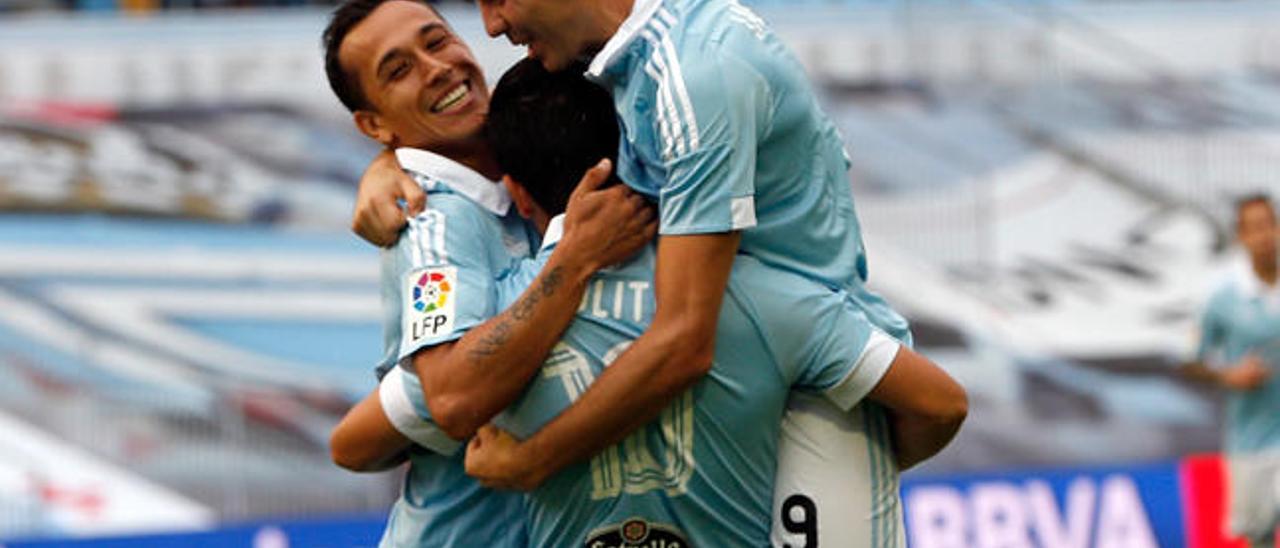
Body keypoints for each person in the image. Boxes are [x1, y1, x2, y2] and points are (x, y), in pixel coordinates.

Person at [352, 1, 964, 544]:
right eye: (397, 70)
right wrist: (390, 162)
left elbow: (683, 342)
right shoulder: (640, 68)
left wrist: (534, 461)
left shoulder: (690, 78)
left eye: (440, 37)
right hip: (809, 364)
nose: (489, 26)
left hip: (817, 398)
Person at [318, 1, 654, 545]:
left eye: (436, 41)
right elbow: (449, 398)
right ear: (373, 123)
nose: (437, 68)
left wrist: (384, 165)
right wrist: (575, 257)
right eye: (398, 69)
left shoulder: (531, 147)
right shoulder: (429, 220)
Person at [1183, 193, 1280, 547]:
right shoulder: (1224, 299)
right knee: (1260, 537)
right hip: (1252, 440)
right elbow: (1191, 361)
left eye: (1269, 224)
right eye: (1254, 228)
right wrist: (1229, 375)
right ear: (1241, 237)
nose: (1265, 235)